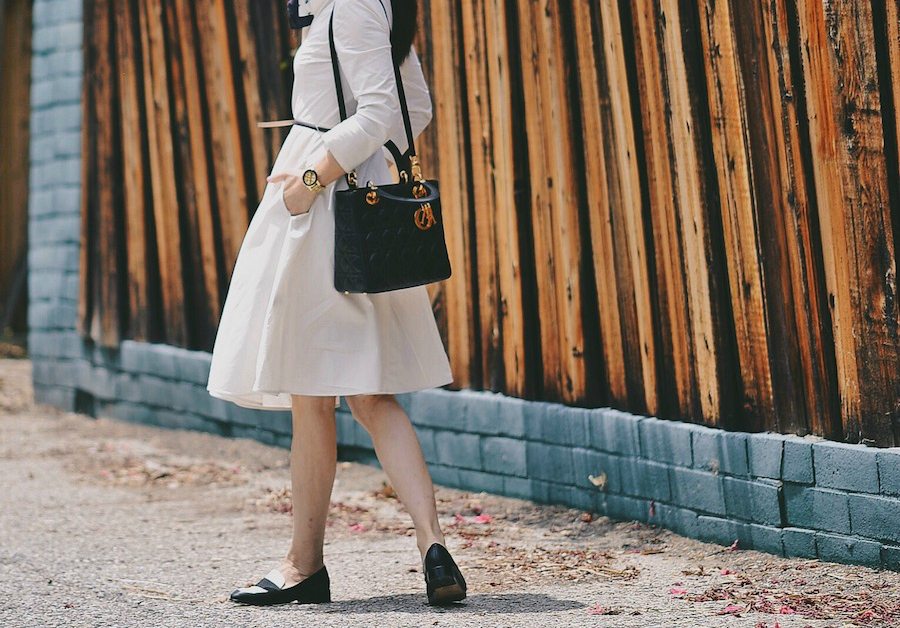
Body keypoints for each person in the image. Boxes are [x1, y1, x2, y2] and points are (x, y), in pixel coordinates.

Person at [205, 0, 466, 608]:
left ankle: (304, 566)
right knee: (372, 397)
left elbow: (379, 111)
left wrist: (315, 175)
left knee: (311, 395)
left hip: (324, 208)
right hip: (354, 196)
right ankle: (432, 544)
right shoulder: (372, 5)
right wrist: (359, 159)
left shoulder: (348, 6)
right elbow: (413, 107)